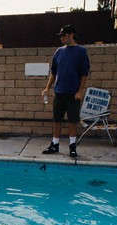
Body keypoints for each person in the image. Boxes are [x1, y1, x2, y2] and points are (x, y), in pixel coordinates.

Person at [41, 25, 90, 158]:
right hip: (59, 92)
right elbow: (54, 72)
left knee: (72, 121)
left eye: (64, 35)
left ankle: (72, 146)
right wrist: (47, 88)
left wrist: (80, 91)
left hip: (73, 93)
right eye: (61, 36)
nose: (61, 38)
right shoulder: (59, 52)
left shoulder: (81, 51)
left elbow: (84, 73)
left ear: (71, 35)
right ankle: (55, 144)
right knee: (57, 120)